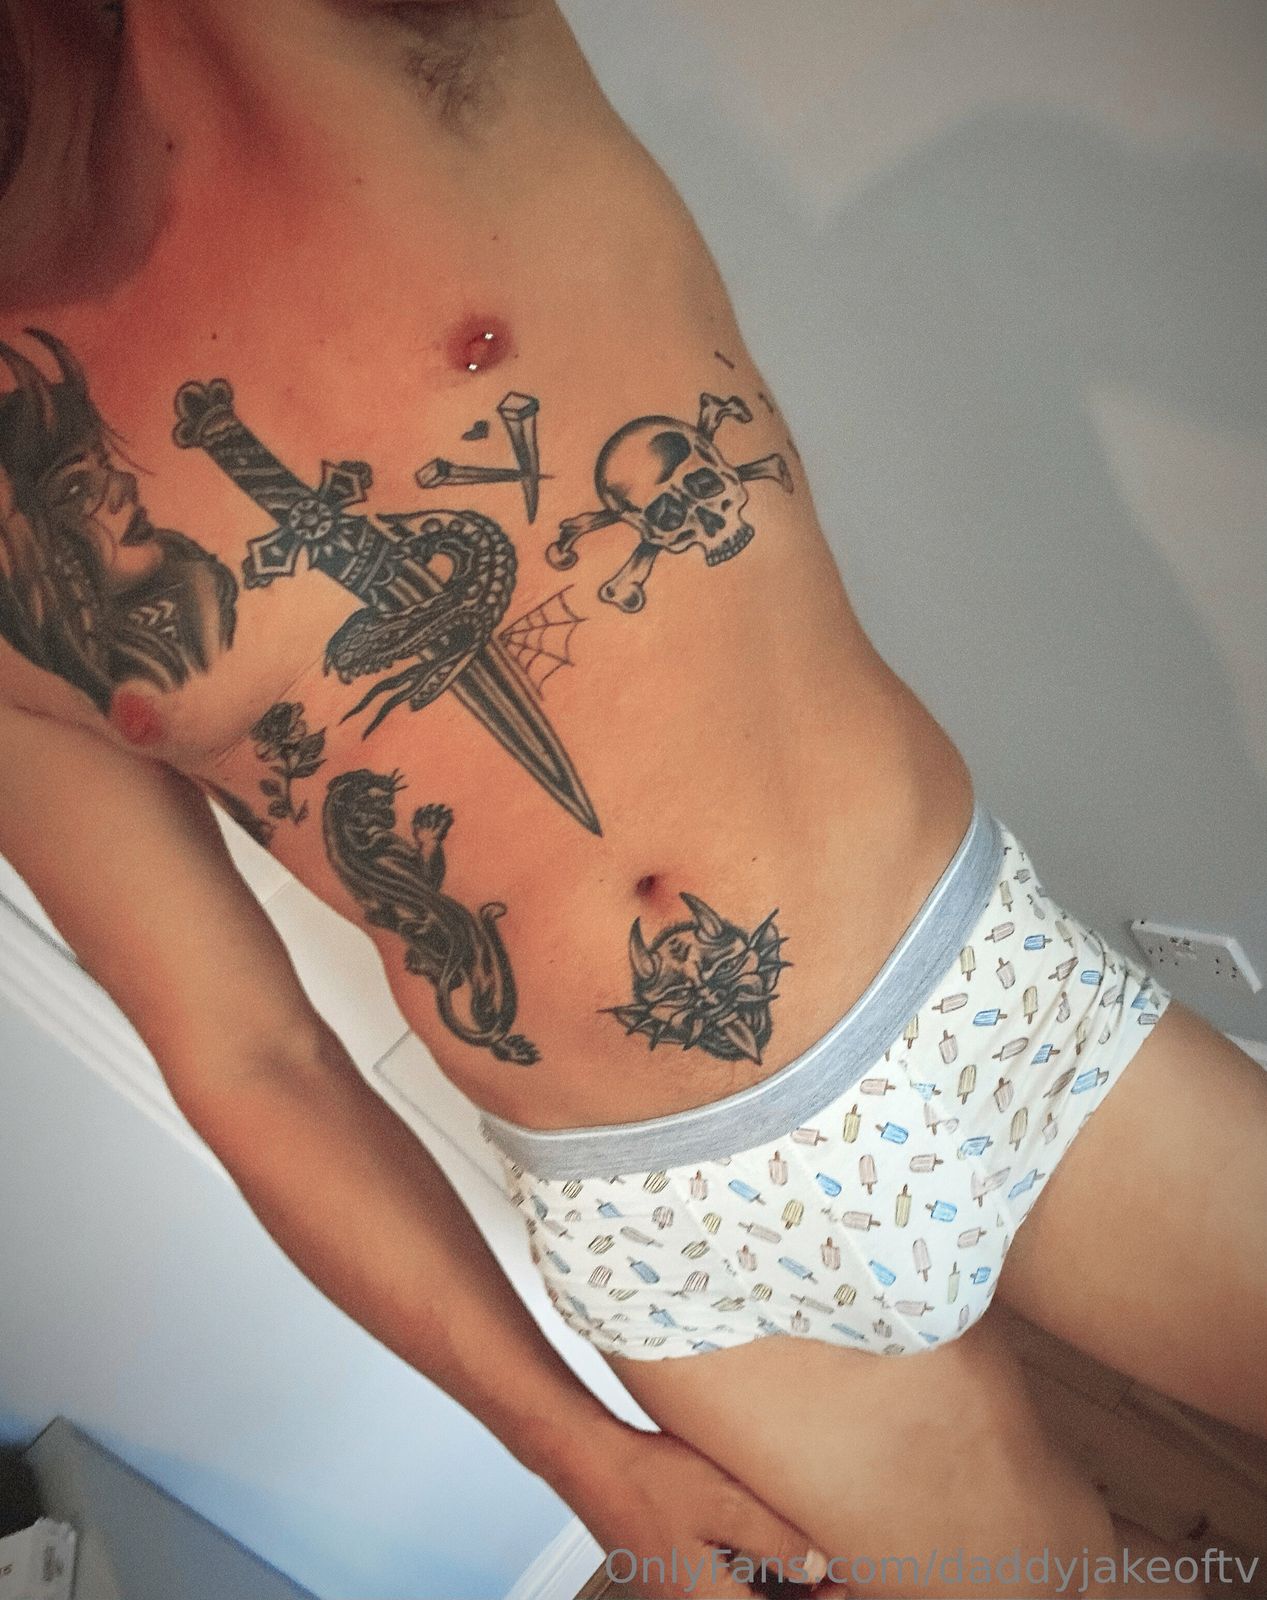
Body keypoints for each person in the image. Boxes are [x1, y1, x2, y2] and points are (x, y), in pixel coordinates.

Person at [0, 2, 1263, 1596]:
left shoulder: (335, 34)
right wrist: (576, 1452)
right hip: (673, 1252)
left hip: (980, 1010)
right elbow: (248, 1062)